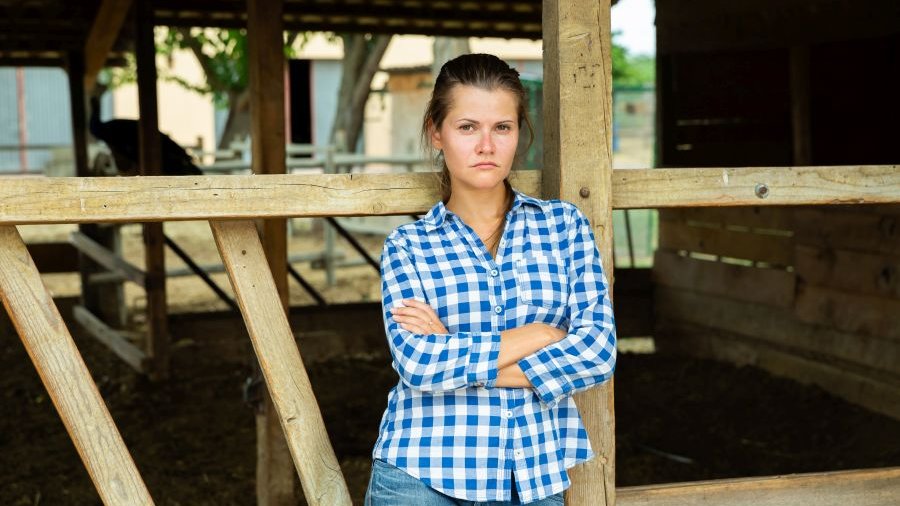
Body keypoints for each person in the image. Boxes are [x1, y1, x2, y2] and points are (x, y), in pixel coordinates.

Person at [366, 53, 617, 506]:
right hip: (421, 476)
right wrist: (540, 334)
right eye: (467, 127)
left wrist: (455, 350)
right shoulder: (408, 246)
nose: (486, 145)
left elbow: (598, 352)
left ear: (519, 134)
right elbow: (419, 364)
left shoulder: (564, 227)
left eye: (502, 127)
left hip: (532, 475)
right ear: (435, 133)